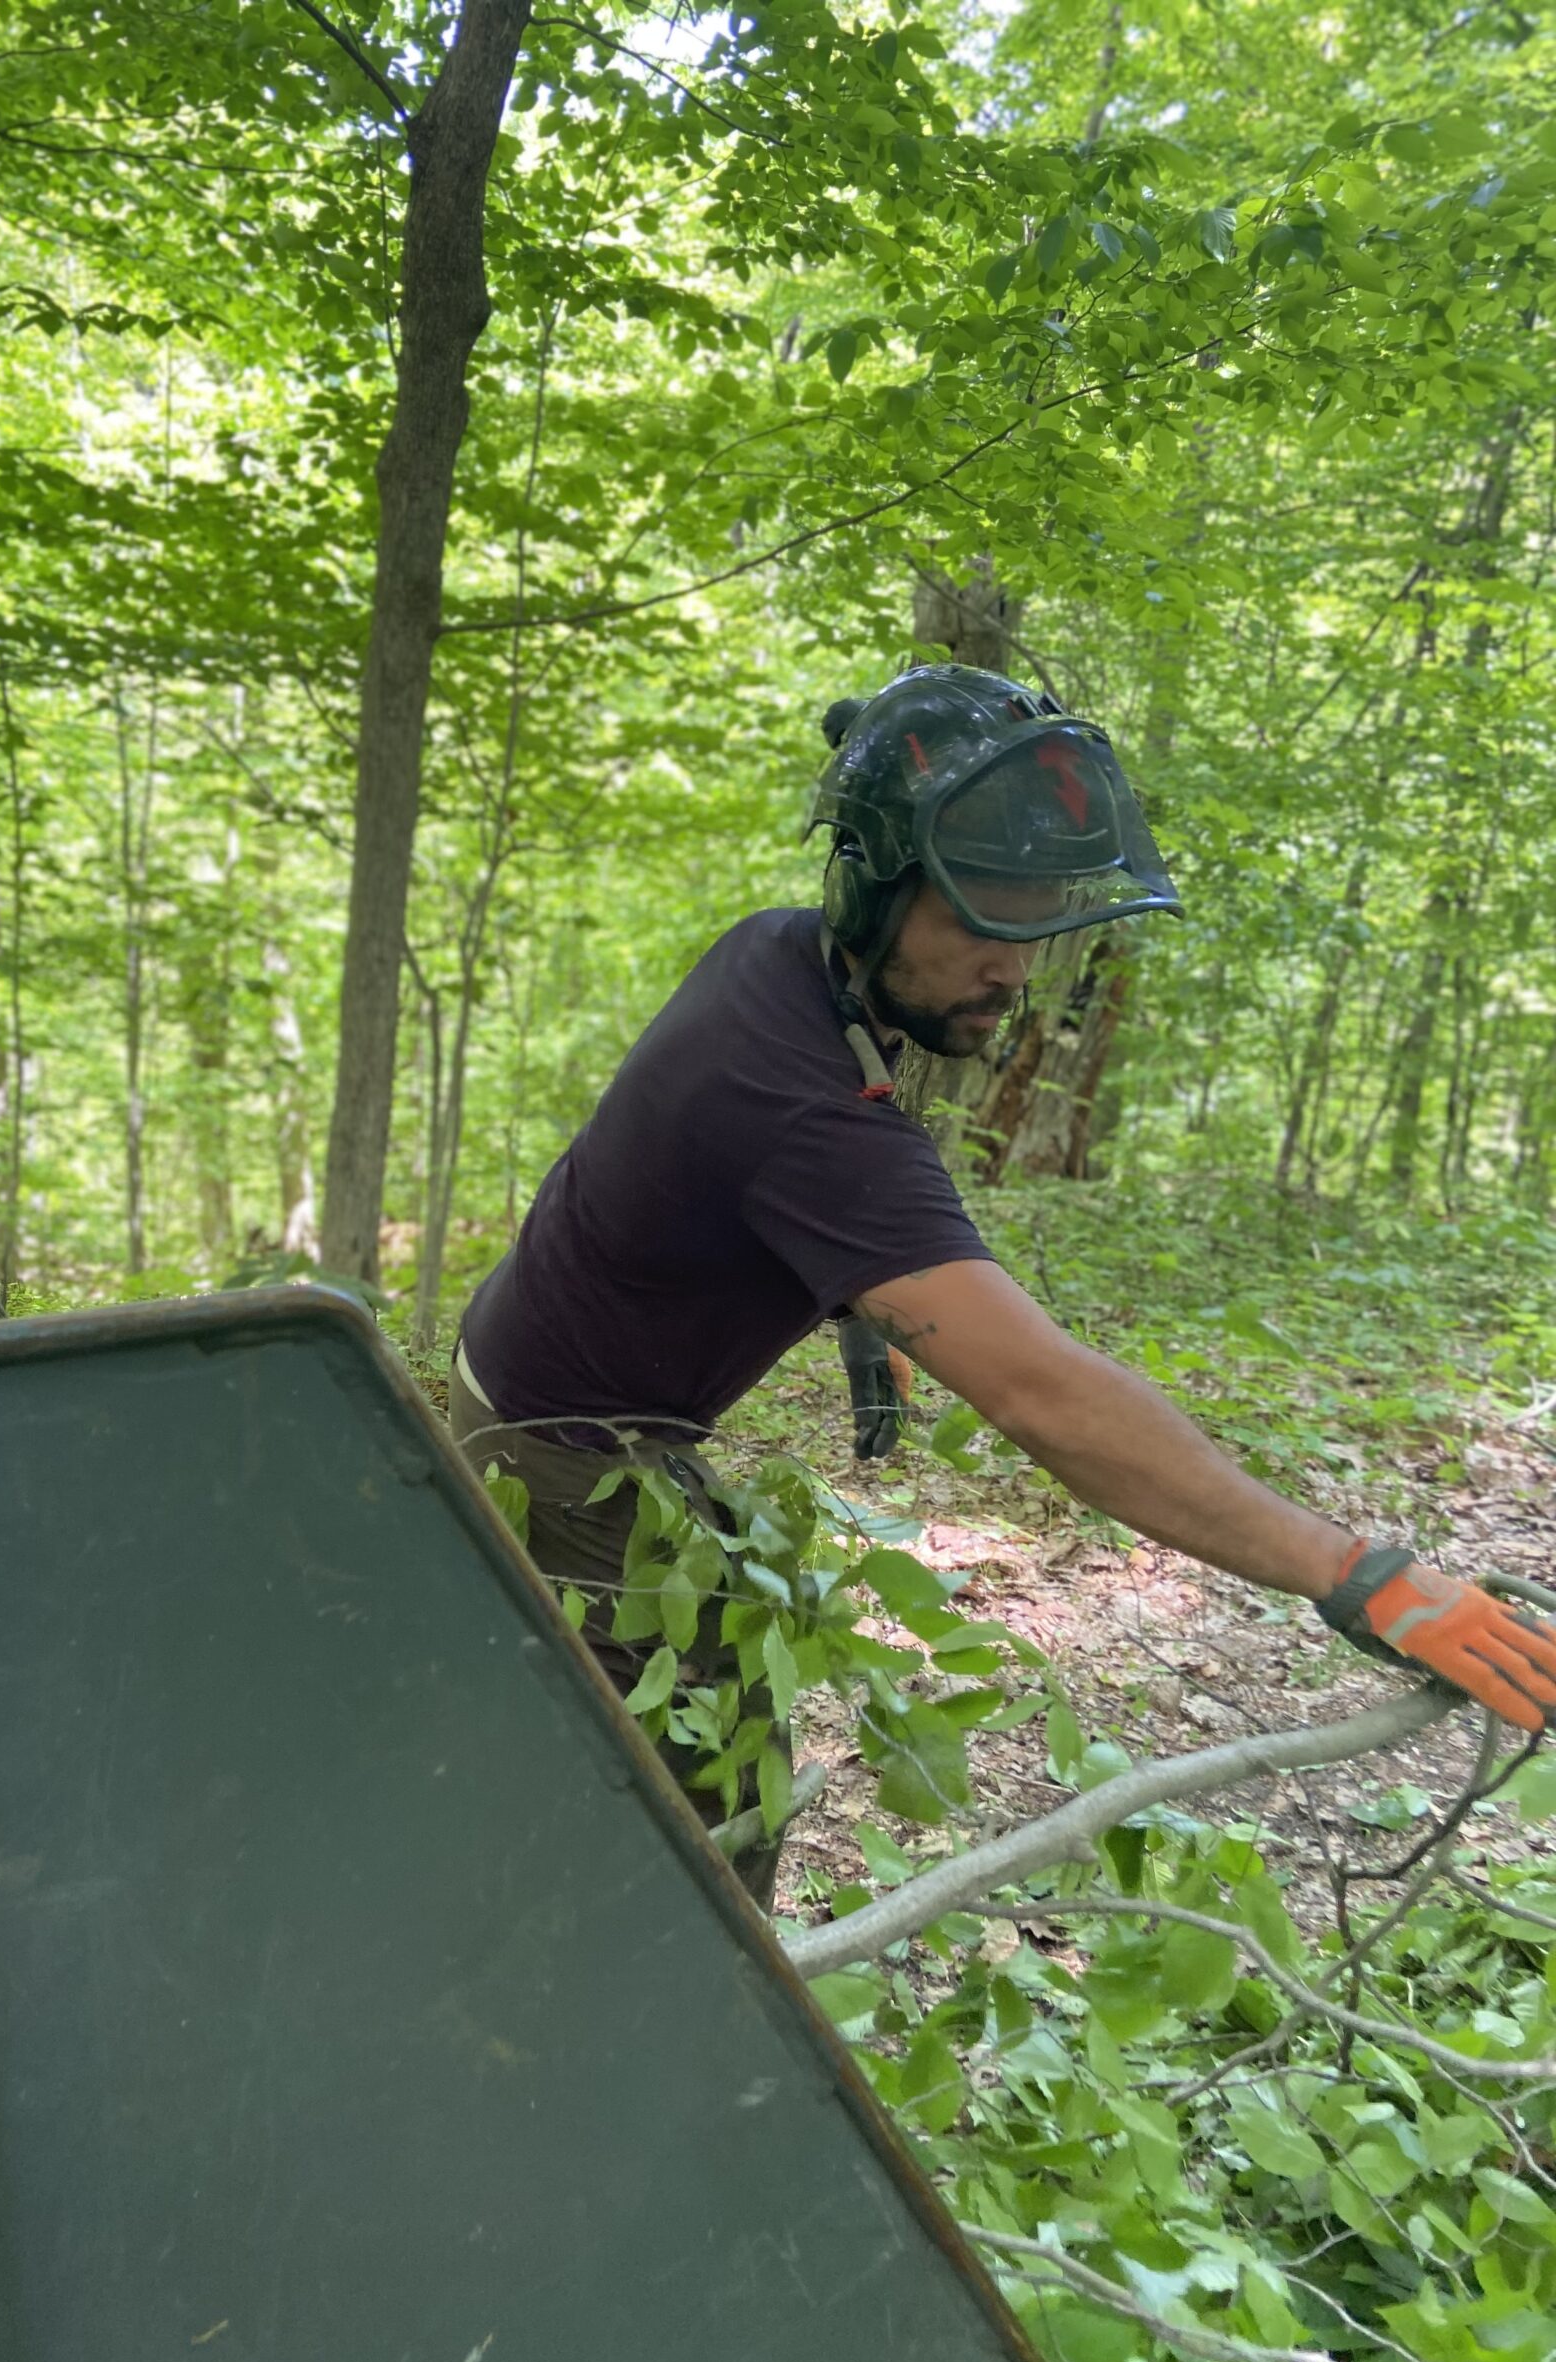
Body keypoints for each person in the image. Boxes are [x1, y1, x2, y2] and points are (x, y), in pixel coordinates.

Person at [448, 664, 1556, 1897]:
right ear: (873, 891)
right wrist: (1357, 1574)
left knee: (721, 1730)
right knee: (688, 1809)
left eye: (1037, 923)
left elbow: (698, 1180)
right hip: (563, 1450)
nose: (1013, 970)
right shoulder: (804, 1108)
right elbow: (1047, 1398)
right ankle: (671, 2038)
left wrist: (853, 1305)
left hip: (549, 1386)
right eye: (979, 920)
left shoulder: (780, 965)